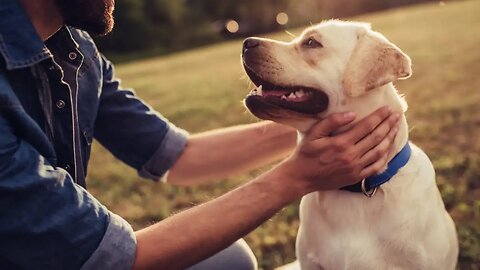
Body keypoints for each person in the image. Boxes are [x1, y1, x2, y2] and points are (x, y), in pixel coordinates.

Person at [0, 0, 400, 269]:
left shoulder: (76, 51)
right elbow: (113, 257)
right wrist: (297, 176)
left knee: (231, 261)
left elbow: (179, 156)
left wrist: (330, 120)